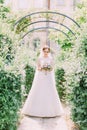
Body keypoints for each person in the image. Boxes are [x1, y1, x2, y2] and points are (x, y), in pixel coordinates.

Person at [21, 45, 64, 117]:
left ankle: (52, 110)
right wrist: (42, 68)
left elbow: (52, 68)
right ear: (42, 51)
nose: (46, 53)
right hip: (41, 76)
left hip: (48, 77)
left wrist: (48, 68)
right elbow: (38, 68)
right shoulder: (39, 59)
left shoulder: (51, 59)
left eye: (47, 51)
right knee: (39, 90)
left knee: (49, 90)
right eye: (45, 51)